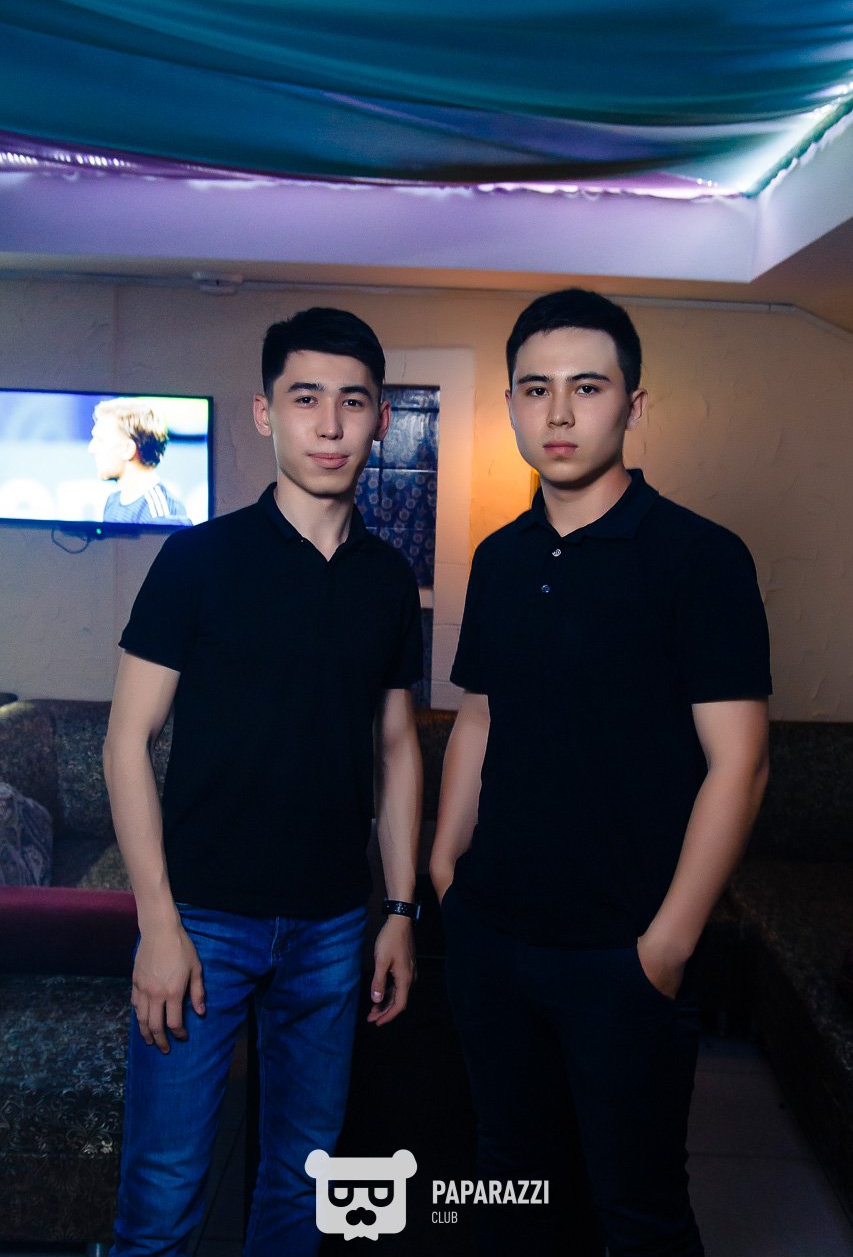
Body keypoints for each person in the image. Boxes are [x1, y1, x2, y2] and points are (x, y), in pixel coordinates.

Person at [430, 288, 771, 1257]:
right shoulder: (499, 557)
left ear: (633, 404)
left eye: (587, 386)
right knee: (509, 1183)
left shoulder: (698, 557)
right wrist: (446, 868)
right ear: (510, 405)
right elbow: (480, 715)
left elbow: (741, 762)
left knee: (638, 1209)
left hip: (621, 953)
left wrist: (665, 945)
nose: (560, 411)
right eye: (535, 388)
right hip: (492, 935)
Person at [104, 307, 423, 1256]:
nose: (329, 424)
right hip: (202, 921)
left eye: (352, 402)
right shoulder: (197, 561)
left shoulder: (387, 579)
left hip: (332, 925)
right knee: (163, 1192)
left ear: (380, 419)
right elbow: (125, 742)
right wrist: (158, 925)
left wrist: (399, 910)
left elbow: (397, 747)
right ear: (264, 412)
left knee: (303, 1181)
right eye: (305, 398)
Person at [89, 396, 192, 524]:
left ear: (128, 449)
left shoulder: (161, 515)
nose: (91, 448)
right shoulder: (113, 501)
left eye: (100, 440)